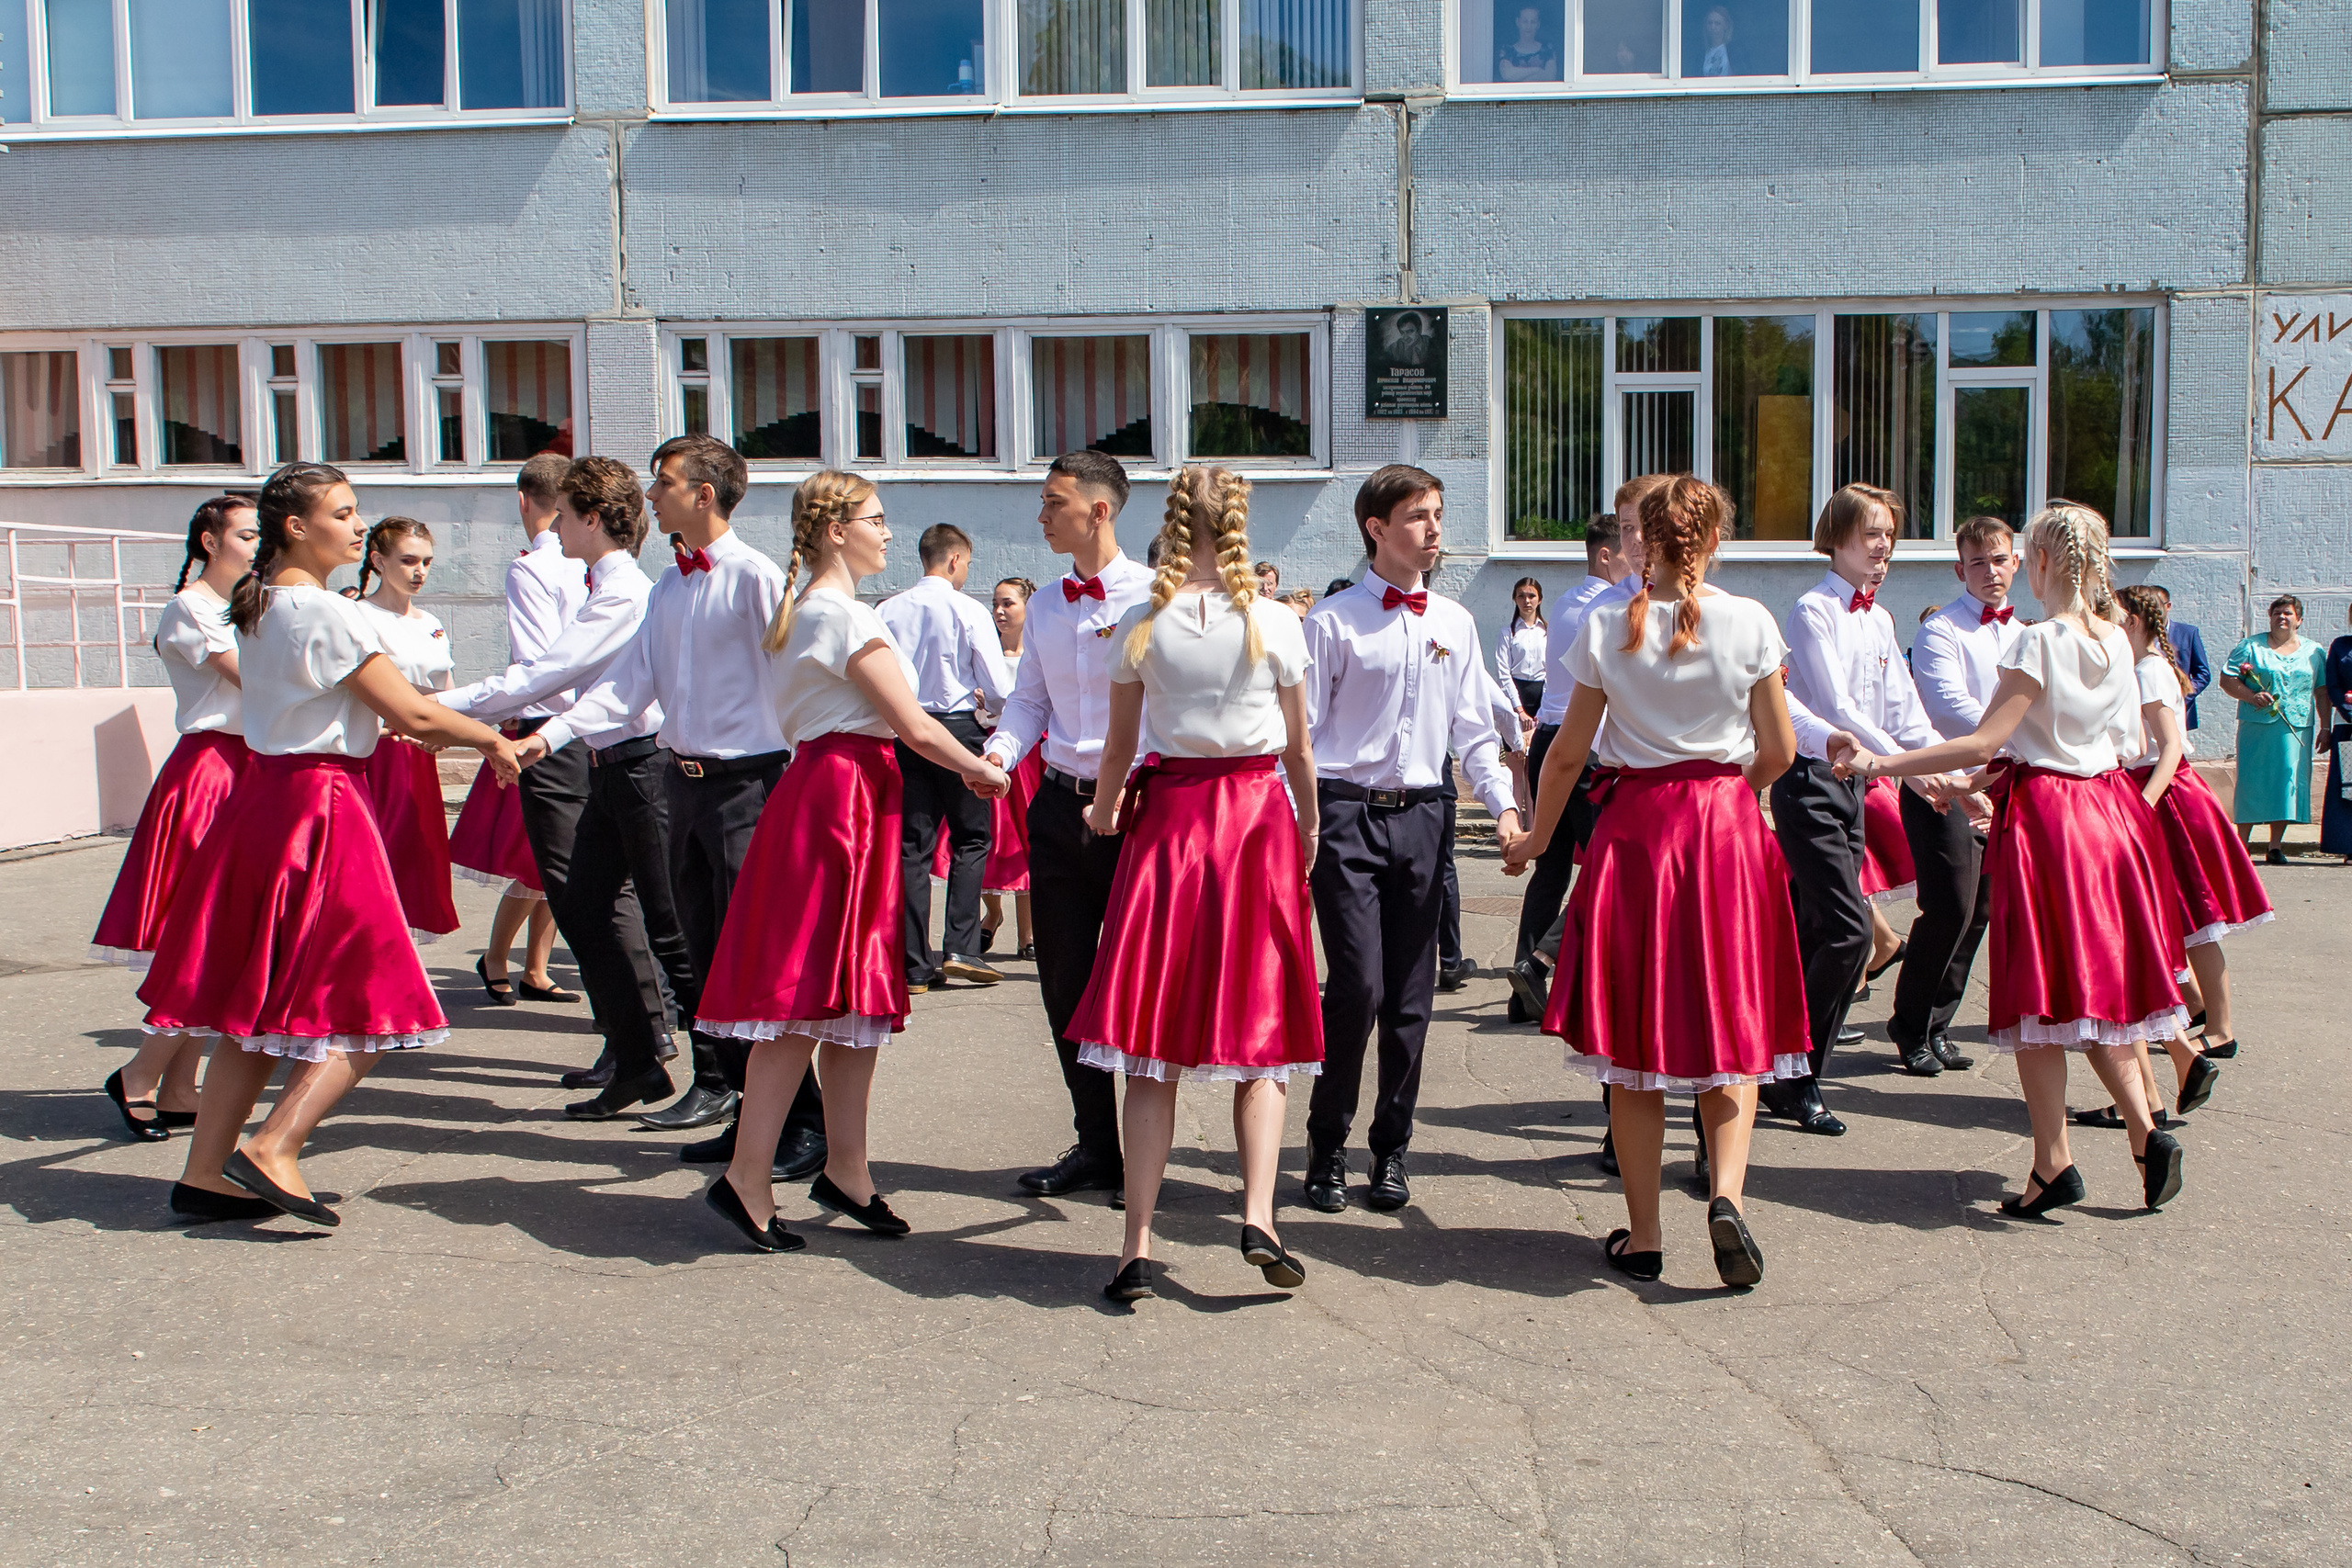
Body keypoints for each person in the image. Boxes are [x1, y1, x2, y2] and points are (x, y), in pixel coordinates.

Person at [141, 463, 520, 1225]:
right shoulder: (329, 614)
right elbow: (411, 714)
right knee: (381, 995)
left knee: (258, 1005)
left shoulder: (260, 606)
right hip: (323, 806)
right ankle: (274, 1145)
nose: (357, 526)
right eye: (344, 513)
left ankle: (204, 1171)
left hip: (265, 803)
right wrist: (492, 740)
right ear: (296, 527)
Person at [1832, 502, 2188, 1218]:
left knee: (2041, 994)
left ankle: (2053, 1160)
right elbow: (2111, 745)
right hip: (2111, 813)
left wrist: (1884, 761)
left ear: (2042, 563)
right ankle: (2145, 1137)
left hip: (2053, 822)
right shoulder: (2118, 640)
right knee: (2095, 991)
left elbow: (1985, 739)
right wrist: (1972, 784)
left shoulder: (2036, 641)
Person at [695, 471, 1006, 1253]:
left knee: (845, 1003)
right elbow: (914, 725)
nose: (889, 532)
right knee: (806, 1002)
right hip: (843, 801)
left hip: (837, 794)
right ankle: (749, 1176)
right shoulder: (840, 614)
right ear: (836, 529)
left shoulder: (809, 609)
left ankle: (845, 1167)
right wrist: (988, 770)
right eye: (876, 518)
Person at [1504, 476, 1804, 1287]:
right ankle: (1728, 1195)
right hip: (1724, 826)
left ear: (1649, 542)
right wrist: (1732, 779)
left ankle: (1644, 1234)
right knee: (1730, 1020)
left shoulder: (1606, 623)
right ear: (1713, 540)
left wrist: (1533, 836)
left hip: (1637, 832)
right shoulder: (1748, 621)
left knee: (1634, 1041)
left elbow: (1566, 752)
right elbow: (1777, 749)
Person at [1069, 466, 1322, 1302]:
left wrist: (1104, 811)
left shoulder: (1142, 620)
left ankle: (1136, 1243)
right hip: (1254, 822)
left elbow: (1116, 748)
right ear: (1241, 522)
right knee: (1264, 1032)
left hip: (1172, 824)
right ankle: (1258, 1214)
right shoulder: (1276, 622)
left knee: (1151, 1045)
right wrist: (1311, 824)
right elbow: (1297, 752)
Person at [541, 435, 828, 1166]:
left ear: (705, 495)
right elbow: (626, 686)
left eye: (663, 482)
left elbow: (796, 679)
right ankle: (744, 1111)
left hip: (750, 788)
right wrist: (550, 737)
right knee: (710, 961)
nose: (650, 494)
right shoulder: (669, 586)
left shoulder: (756, 577)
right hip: (684, 785)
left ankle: (805, 1126)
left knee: (756, 962)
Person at [1301, 465, 1522, 1214]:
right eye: (1418, 516)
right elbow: (1298, 737)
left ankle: (1390, 1148)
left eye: (1437, 514)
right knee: (1356, 986)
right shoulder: (1331, 622)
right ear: (1376, 528)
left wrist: (1501, 807)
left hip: (1424, 815)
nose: (1435, 528)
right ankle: (1326, 1141)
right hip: (1345, 814)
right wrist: (1297, 821)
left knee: (1410, 995)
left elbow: (1472, 733)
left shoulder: (1455, 624)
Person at [463, 457, 695, 1117]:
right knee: (585, 905)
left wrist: (433, 709)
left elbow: (545, 673)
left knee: (667, 922)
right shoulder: (604, 585)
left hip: (643, 764)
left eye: (563, 514)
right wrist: (550, 735)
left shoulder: (624, 593)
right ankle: (636, 1058)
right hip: (609, 761)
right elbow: (598, 691)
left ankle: (714, 1072)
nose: (554, 524)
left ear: (591, 519)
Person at [982, 452, 1155, 1205]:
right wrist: (997, 753)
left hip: (1141, 813)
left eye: (1055, 502)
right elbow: (1030, 701)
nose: (1043, 515)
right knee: (1064, 983)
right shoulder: (1047, 602)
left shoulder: (1159, 596)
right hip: (1057, 807)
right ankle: (1097, 1146)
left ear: (1100, 510)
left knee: (1143, 985)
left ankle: (1146, 1160)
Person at [1773, 483, 1961, 1117]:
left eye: (1889, 535)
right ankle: (1799, 1076)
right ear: (1839, 537)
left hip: (1856, 784)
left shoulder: (1879, 617)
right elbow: (1838, 709)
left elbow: (1904, 708)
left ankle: (1771, 1061)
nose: (1883, 547)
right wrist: (1907, 769)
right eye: (1872, 533)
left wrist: (1945, 765)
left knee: (1808, 934)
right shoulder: (1813, 609)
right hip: (1812, 782)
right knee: (1850, 933)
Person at [92, 494, 259, 1142]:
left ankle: (181, 1084)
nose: (256, 544)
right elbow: (253, 679)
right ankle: (140, 1073)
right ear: (211, 541)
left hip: (250, 767)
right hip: (210, 774)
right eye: (246, 534)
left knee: (217, 933)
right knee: (200, 933)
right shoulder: (190, 607)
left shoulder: (250, 602)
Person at [2077, 584, 2263, 1121]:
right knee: (2170, 924)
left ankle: (2218, 1029)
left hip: (2165, 796)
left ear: (2133, 619)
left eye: (2111, 614)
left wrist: (2144, 806)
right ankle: (2195, 1023)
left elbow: (2170, 747)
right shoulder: (2135, 663)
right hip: (2147, 794)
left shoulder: (2149, 669)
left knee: (2195, 917)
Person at [1510, 482, 1657, 1025]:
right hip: (1585, 744)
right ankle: (1551, 962)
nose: (1636, 548)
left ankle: (1528, 973)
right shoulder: (1609, 609)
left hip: (1555, 736)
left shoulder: (1570, 603)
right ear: (1607, 552)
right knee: (1605, 869)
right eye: (1626, 537)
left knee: (1550, 870)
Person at [447, 450, 584, 1007]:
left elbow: (535, 663)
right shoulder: (591, 560)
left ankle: (527, 964)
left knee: (547, 859)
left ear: (523, 501)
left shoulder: (534, 566)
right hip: (571, 723)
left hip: (543, 723)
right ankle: (508, 958)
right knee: (542, 859)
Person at [1896, 514, 2026, 1075]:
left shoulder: (2028, 634)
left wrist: (2010, 758)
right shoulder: (1941, 630)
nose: (1990, 572)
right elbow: (1949, 707)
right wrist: (2011, 745)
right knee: (1948, 905)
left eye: (1999, 560)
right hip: (1942, 785)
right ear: (1960, 570)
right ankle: (1908, 1024)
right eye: (1978, 562)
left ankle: (1937, 1024)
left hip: (2003, 785)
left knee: (1980, 912)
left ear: (2015, 564)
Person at [879, 524, 1014, 992]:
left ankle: (913, 963)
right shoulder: (967, 608)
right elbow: (998, 687)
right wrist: (990, 714)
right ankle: (960, 946)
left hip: (906, 729)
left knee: (911, 847)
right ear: (955, 560)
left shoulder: (888, 608)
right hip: (957, 728)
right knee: (971, 839)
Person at [353, 519, 463, 946]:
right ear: (379, 561)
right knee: (375, 858)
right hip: (375, 753)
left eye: (427, 562)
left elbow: (448, 691)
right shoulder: (360, 615)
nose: (419, 571)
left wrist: (463, 734)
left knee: (415, 858)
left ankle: (401, 960)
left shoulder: (431, 621)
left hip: (420, 753)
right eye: (408, 560)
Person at [2221, 595, 2329, 863]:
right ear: (2270, 618)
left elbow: (2322, 691)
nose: (2282, 617)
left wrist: (2326, 726)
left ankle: (2275, 846)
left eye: (2288, 613)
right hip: (2258, 726)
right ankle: (2241, 844)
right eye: (2277, 613)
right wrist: (2250, 695)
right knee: (2252, 782)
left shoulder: (2314, 652)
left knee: (2286, 784)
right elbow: (2227, 679)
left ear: (2299, 620)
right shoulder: (2250, 647)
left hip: (2296, 727)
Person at [979, 577, 1042, 958]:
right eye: (996, 605)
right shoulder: (984, 651)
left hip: (1033, 757)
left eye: (1008, 604)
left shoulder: (1037, 654)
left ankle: (1028, 935)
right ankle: (992, 913)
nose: (1000, 612)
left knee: (1027, 839)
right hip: (993, 752)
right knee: (992, 840)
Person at [2154, 586, 2213, 728]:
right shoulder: (2136, 634)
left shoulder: (2188, 633)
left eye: (2156, 606)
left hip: (2179, 710)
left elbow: (2203, 674)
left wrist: (2183, 696)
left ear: (2168, 606)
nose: (2152, 611)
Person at [1497, 574, 1548, 719]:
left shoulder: (1548, 633)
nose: (1527, 601)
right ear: (1515, 599)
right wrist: (1519, 709)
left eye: (1532, 596)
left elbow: (1552, 672)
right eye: (1521, 596)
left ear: (1540, 599)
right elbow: (1503, 673)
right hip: (1516, 694)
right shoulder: (1507, 633)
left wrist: (1544, 708)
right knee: (1515, 742)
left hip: (1542, 697)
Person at [2325, 608, 2352, 863]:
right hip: (2347, 723)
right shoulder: (2341, 645)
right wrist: (2347, 710)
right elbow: (2332, 683)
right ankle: (2348, 845)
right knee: (2349, 787)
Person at [1496, 4, 1561, 80]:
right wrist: (1537, 70)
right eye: (1525, 21)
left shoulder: (1547, 50)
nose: (1528, 26)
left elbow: (1550, 76)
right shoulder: (1508, 50)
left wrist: (1519, 75)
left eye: (1533, 22)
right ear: (1518, 22)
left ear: (1538, 25)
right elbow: (1507, 75)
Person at [1698, 4, 1734, 74]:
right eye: (1710, 23)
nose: (1713, 27)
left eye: (1717, 23)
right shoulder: (1701, 53)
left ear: (1726, 26)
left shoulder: (1735, 51)